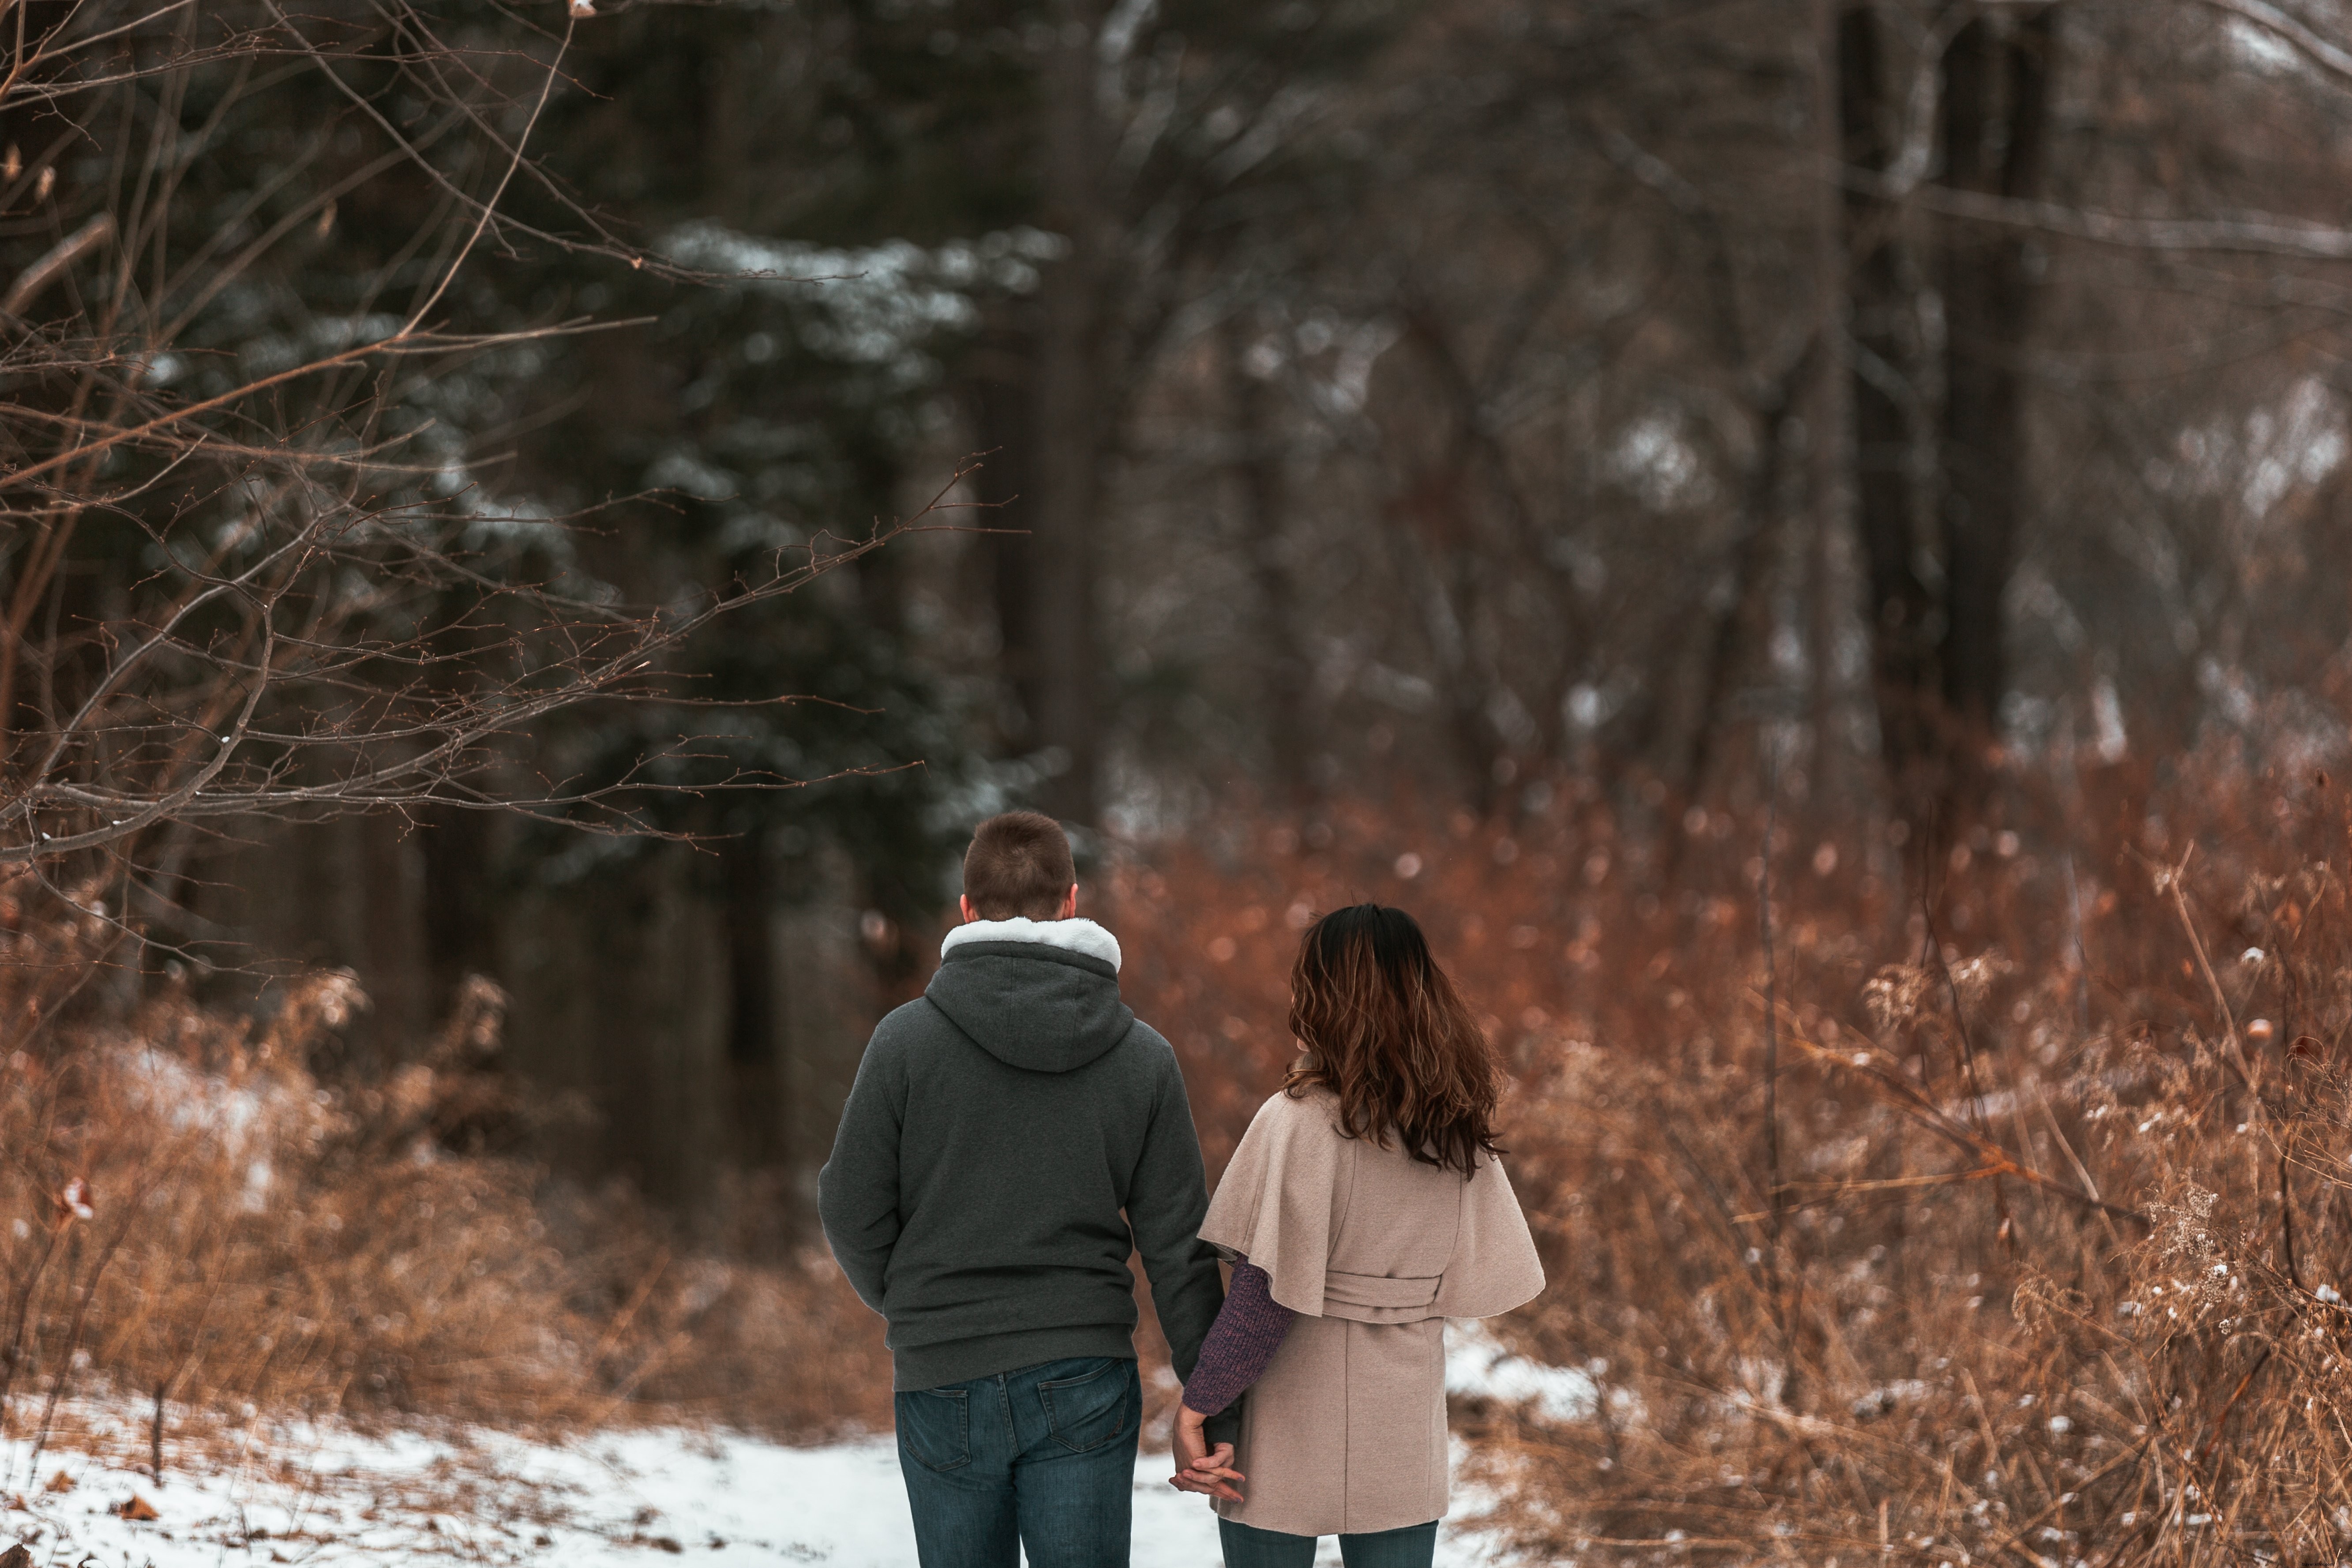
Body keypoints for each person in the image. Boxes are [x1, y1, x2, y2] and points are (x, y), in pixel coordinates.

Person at [818, 810, 1232, 1568]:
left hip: (943, 1373)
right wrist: (1217, 1403)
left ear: (967, 909)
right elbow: (1178, 1245)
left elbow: (848, 1205)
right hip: (1084, 1372)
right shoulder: (1142, 1057)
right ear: (1072, 901)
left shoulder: (904, 1042)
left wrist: (920, 1303)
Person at [1170, 903, 1546, 1568]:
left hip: (1289, 1415)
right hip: (1400, 1422)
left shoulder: (1295, 1121)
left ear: (1320, 995)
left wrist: (1199, 1404)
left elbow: (1261, 1298)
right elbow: (1493, 1276)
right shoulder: (1455, 1129)